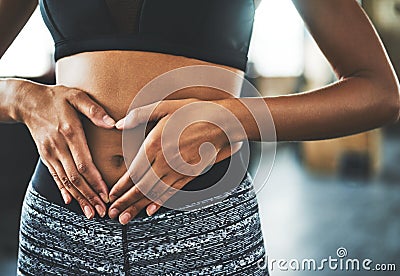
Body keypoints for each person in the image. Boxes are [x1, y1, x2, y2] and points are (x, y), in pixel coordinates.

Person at [0, 0, 398, 274]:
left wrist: (233, 117)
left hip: (205, 227)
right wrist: (19, 97)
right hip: (60, 228)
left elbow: (379, 91)